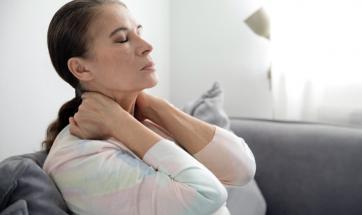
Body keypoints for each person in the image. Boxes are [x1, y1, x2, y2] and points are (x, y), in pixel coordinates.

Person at [42, 0, 256, 214]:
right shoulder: (76, 159)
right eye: (122, 39)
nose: (147, 46)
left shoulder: (146, 121)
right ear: (81, 68)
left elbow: (243, 169)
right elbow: (207, 196)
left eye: (139, 31)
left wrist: (155, 107)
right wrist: (119, 123)